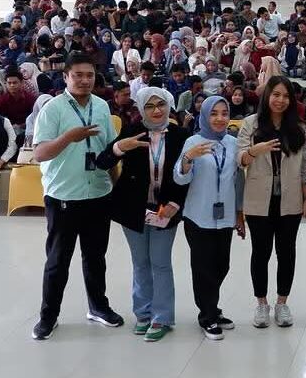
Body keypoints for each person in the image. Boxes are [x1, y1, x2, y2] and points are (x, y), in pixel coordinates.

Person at [29, 53, 123, 341]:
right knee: (58, 261)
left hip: (98, 193)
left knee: (95, 257)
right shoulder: (53, 109)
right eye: (78, 75)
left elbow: (109, 150)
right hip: (63, 197)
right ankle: (48, 316)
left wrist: (115, 186)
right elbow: (39, 153)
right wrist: (69, 137)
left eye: (89, 75)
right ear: (66, 77)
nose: (84, 80)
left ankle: (98, 307)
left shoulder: (102, 107)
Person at [91, 87, 189, 342]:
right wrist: (118, 148)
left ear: (169, 106)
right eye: (149, 106)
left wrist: (176, 203)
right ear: (141, 109)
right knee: (141, 262)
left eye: (161, 105)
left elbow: (189, 174)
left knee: (161, 262)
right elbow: (101, 163)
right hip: (133, 209)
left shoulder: (181, 135)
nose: (156, 111)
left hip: (166, 210)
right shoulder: (132, 131)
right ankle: (143, 313)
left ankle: (162, 317)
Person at [237, 76, 306, 329]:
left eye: (285, 96)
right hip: (258, 198)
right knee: (260, 253)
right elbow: (239, 160)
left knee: (287, 252)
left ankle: (282, 303)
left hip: (290, 200)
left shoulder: (299, 129)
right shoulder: (251, 124)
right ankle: (261, 303)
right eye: (276, 95)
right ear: (267, 96)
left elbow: (304, 167)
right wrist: (253, 151)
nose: (280, 100)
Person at [175, 96, 244, 341]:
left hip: (224, 217)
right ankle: (207, 315)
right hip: (198, 216)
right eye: (213, 113)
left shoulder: (233, 143)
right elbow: (180, 178)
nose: (219, 118)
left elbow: (238, 180)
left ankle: (211, 307)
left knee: (221, 265)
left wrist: (239, 213)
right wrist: (188, 158)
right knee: (203, 268)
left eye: (224, 113)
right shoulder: (192, 142)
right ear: (204, 115)